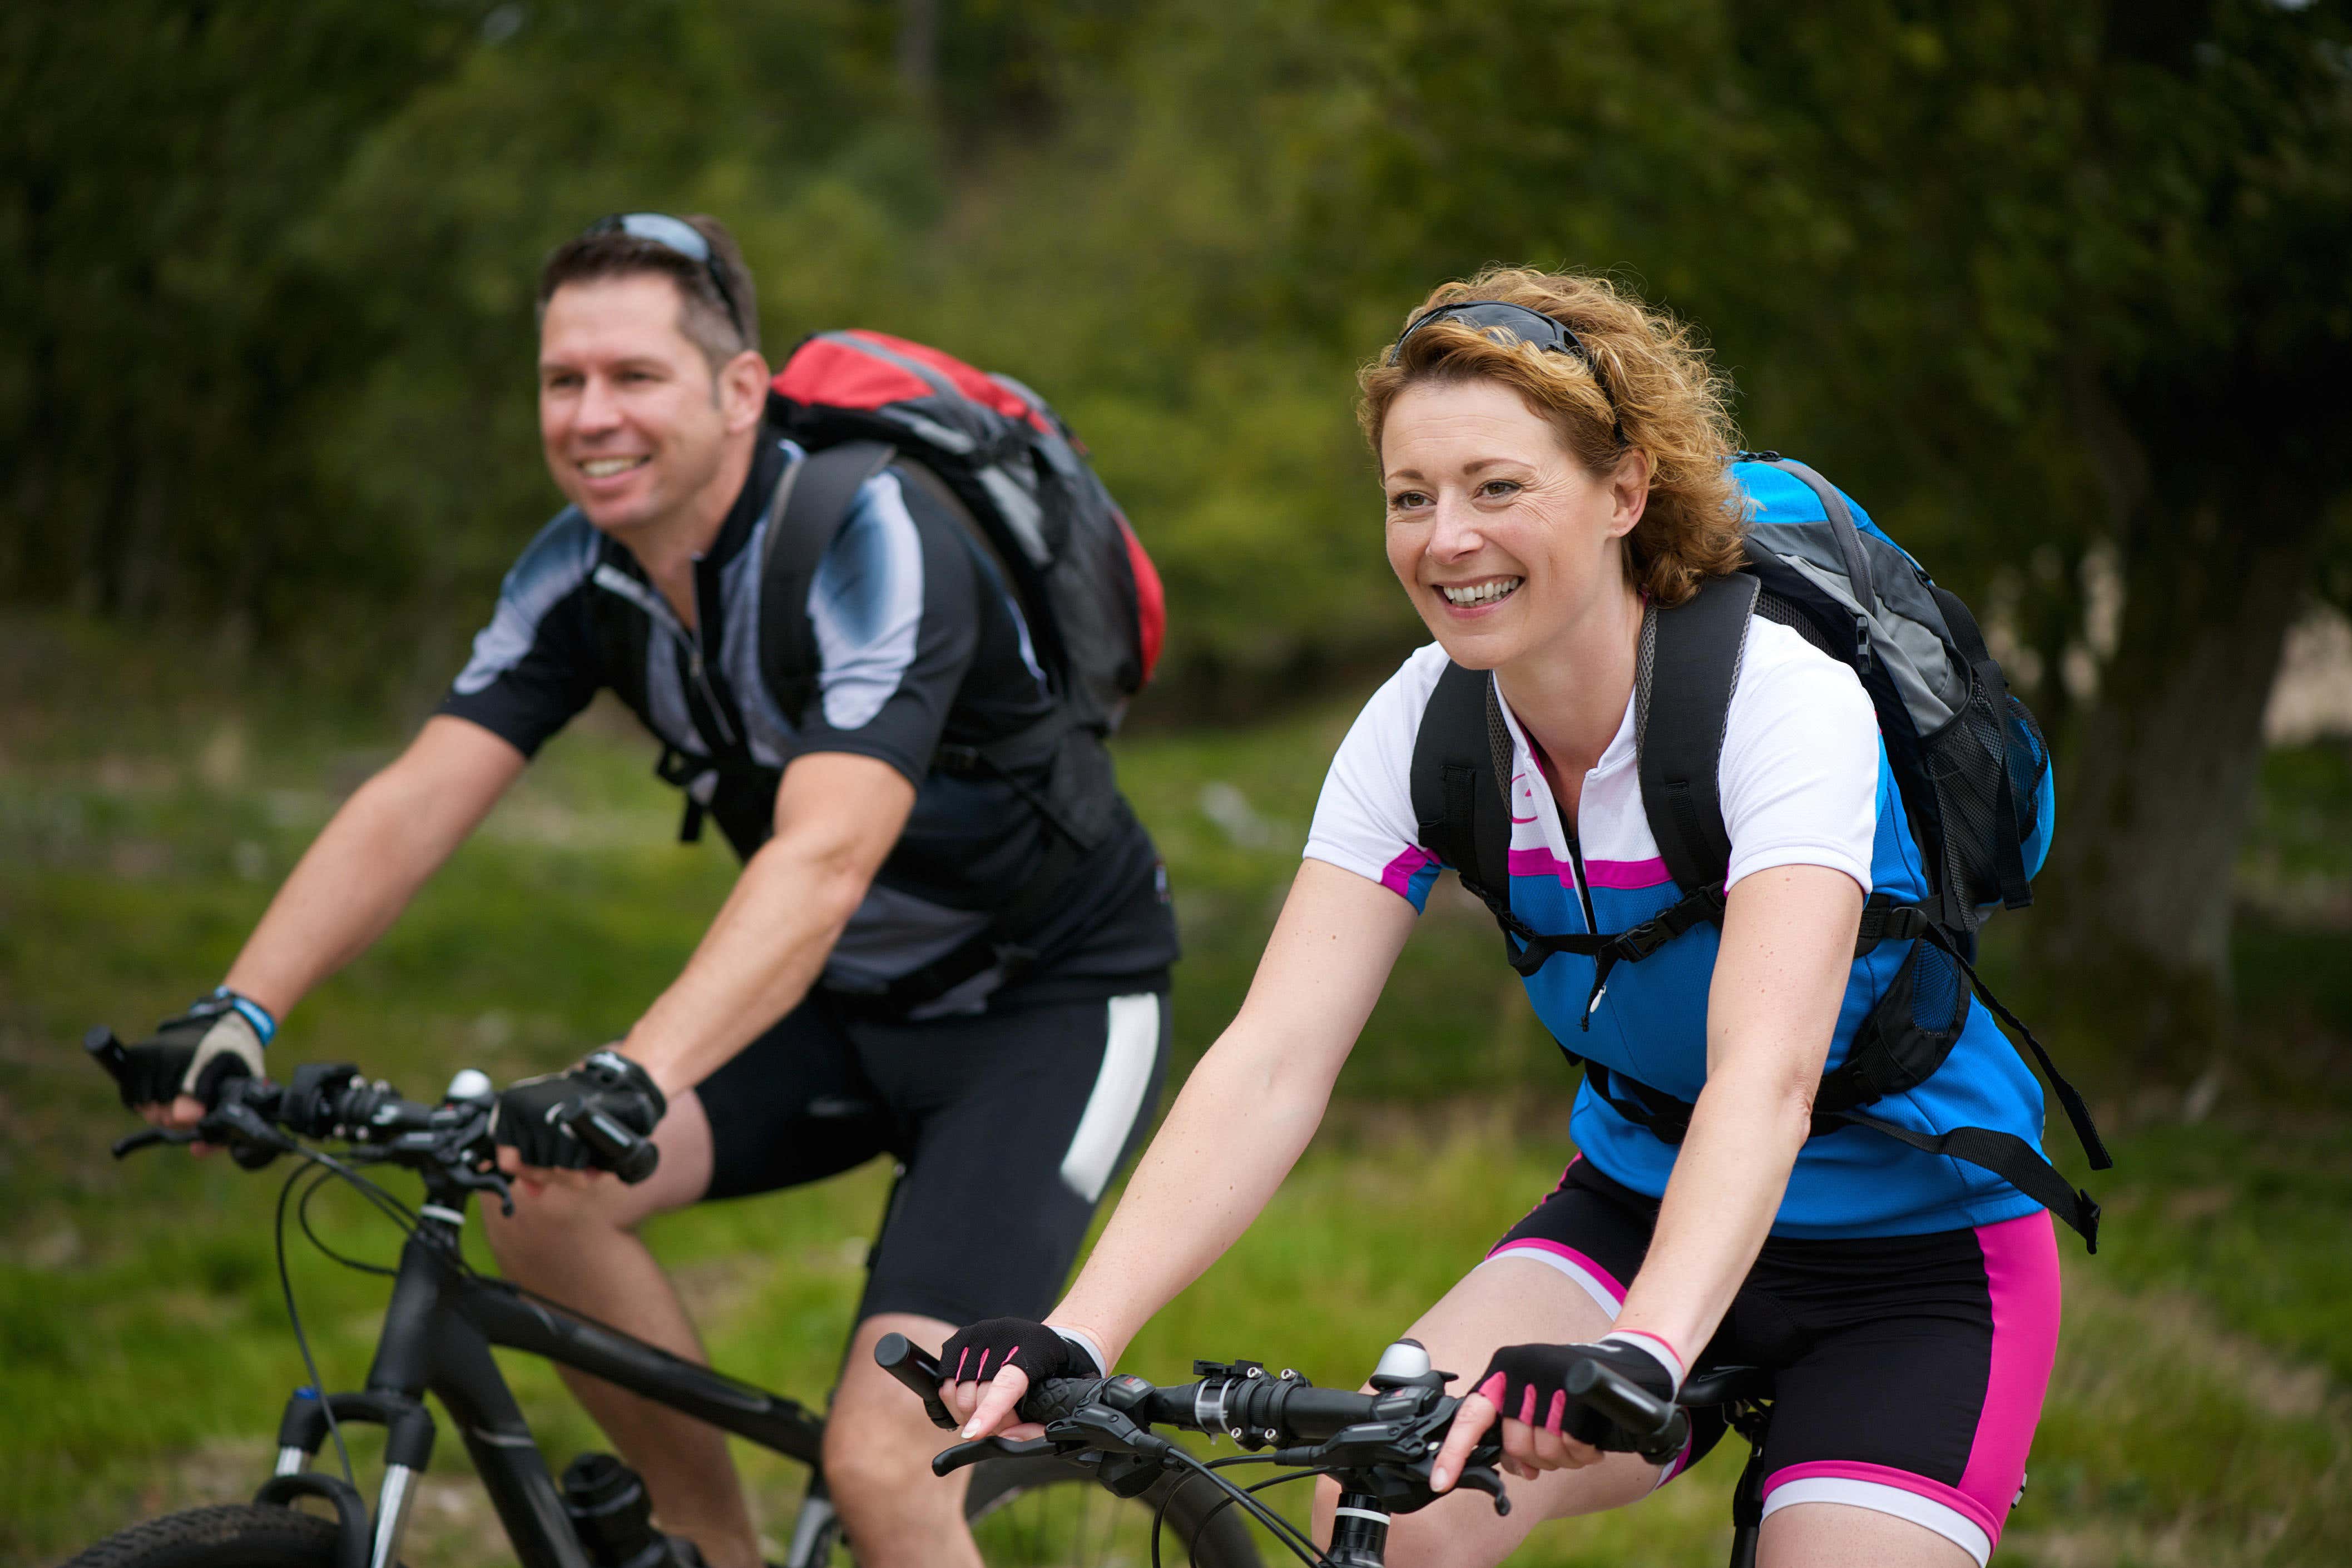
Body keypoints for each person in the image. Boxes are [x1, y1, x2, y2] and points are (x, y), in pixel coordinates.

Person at [940, 268, 2061, 1568]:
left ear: (1626, 493)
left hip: (1915, 1258)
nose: (1446, 538)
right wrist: (1080, 1329)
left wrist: (1641, 1351)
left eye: (1498, 487)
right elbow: (1274, 1059)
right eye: (1410, 498)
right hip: (1638, 1202)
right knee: (1385, 1517)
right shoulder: (1424, 727)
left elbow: (1768, 1074)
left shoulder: (1782, 703)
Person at [116, 212, 1179, 1568]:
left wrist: (633, 1074)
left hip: (1047, 1012)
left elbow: (824, 855)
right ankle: (713, 1547)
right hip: (842, 996)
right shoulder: (582, 569)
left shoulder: (873, 529)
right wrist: (240, 1011)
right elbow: (417, 798)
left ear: (740, 391)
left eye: (634, 377)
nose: (592, 415)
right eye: (564, 381)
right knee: (528, 1193)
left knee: (884, 1463)